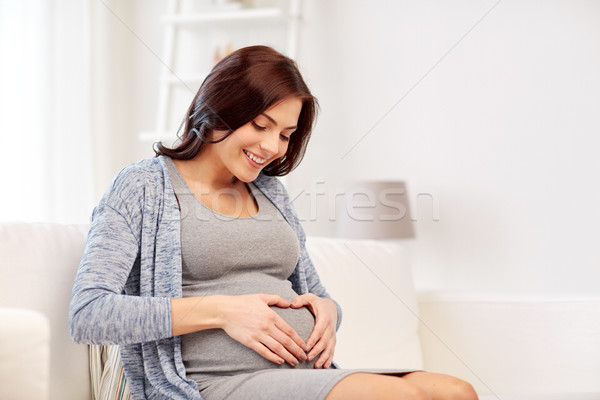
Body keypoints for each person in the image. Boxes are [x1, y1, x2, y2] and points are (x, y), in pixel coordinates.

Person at [69, 45, 478, 400]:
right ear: (218, 108)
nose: (271, 147)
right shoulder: (142, 186)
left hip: (304, 374)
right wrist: (222, 312)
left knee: (456, 392)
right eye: (260, 125)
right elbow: (89, 315)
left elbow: (317, 295)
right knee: (401, 396)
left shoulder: (270, 192)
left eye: (285, 134)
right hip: (215, 383)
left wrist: (328, 312)